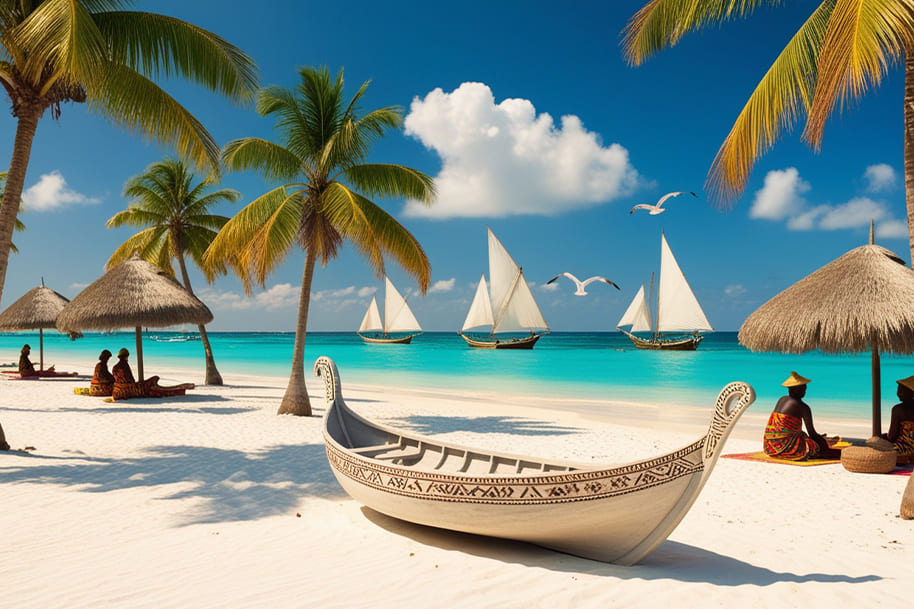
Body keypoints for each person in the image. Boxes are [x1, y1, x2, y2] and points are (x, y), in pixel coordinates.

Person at [763, 371, 840, 460]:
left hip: (769, 446)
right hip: (783, 448)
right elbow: (812, 433)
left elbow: (783, 428)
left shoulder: (782, 399)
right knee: (816, 446)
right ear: (797, 389)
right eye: (803, 388)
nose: (805, 391)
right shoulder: (803, 407)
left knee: (803, 435)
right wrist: (820, 441)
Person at [111, 348, 193, 400]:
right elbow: (130, 379)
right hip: (128, 389)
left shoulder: (115, 367)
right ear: (126, 356)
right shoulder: (124, 365)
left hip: (117, 390)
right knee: (152, 382)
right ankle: (177, 390)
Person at [885, 376, 914, 465]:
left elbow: (892, 436)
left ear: (911, 393)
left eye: (901, 390)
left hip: (903, 451)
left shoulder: (898, 409)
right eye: (898, 390)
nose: (898, 393)